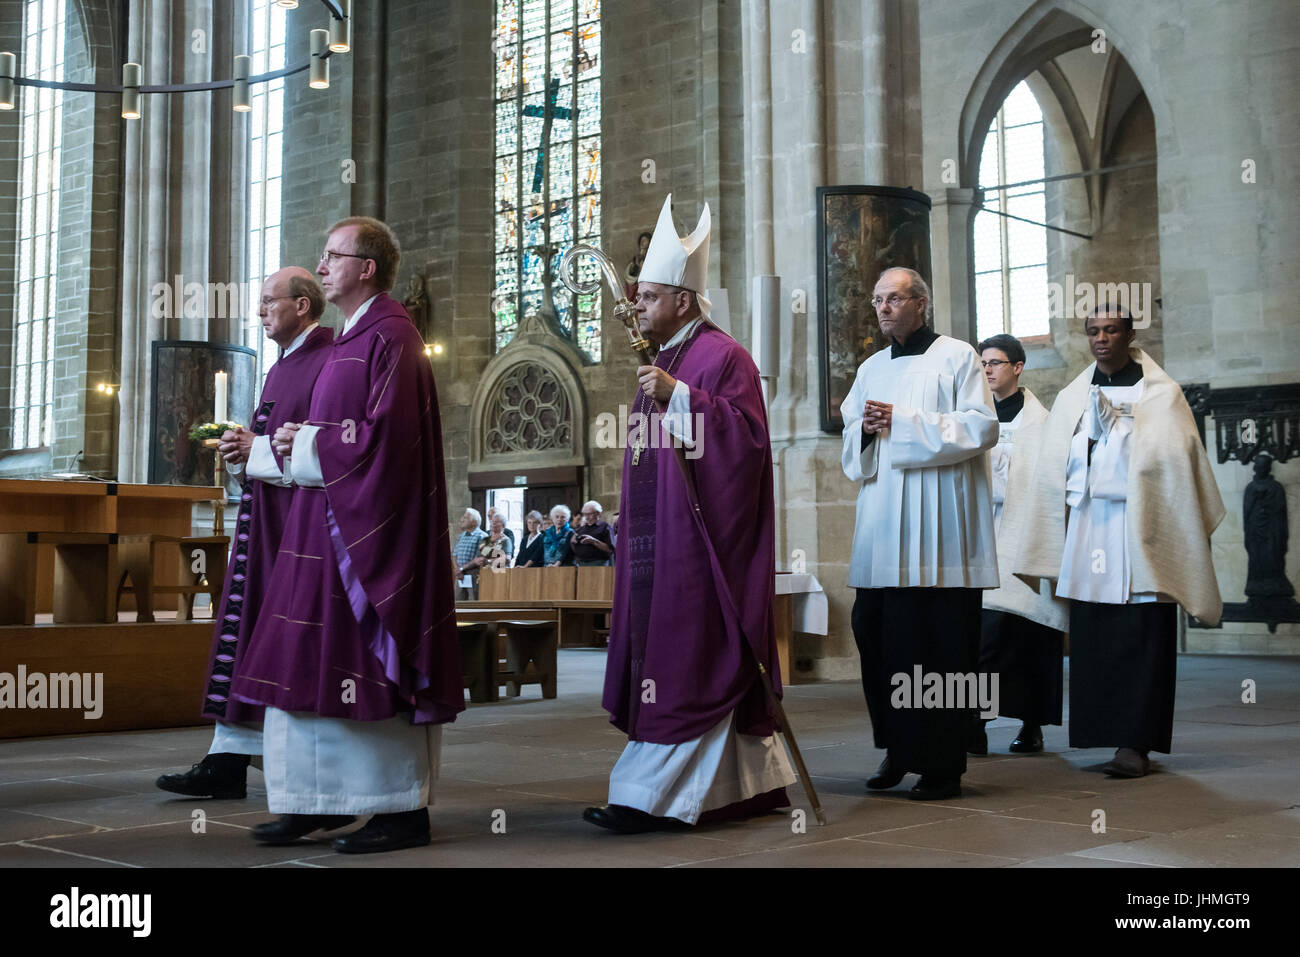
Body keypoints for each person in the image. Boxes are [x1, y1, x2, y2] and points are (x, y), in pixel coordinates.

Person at [229, 216, 464, 852]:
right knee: (302, 662)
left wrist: (305, 441)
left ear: (367, 268)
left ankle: (396, 809)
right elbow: (336, 435)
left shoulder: (393, 337)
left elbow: (387, 444)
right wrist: (284, 446)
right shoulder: (348, 341)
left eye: (335, 255)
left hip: (364, 542)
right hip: (320, 531)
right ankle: (313, 801)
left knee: (360, 664)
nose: (323, 263)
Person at [585, 193, 795, 834]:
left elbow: (748, 444)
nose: (636, 307)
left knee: (690, 657)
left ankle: (652, 797)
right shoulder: (664, 358)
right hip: (658, 543)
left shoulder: (722, 357)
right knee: (674, 657)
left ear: (681, 298)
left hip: (703, 550)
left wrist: (682, 399)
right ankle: (742, 789)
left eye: (647, 297)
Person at [1015, 304, 1224, 778]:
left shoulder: (1161, 394)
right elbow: (1054, 463)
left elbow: (1176, 457)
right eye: (1094, 331)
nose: (1102, 339)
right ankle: (1101, 732)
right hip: (1090, 524)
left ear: (1129, 334)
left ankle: (1137, 742)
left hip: (1139, 526)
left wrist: (1126, 432)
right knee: (1094, 634)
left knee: (1142, 632)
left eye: (1111, 330)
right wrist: (1089, 438)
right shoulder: (1074, 394)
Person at [156, 268, 333, 800]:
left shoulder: (324, 360)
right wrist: (244, 450)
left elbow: (313, 453)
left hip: (294, 530)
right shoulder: (287, 365)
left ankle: (254, 763)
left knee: (268, 633)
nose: (259, 312)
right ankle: (228, 757)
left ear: (302, 305)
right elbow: (272, 444)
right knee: (246, 629)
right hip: (266, 522)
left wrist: (254, 447)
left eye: (267, 302)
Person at [842, 266, 999, 801]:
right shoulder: (869, 368)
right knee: (879, 638)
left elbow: (982, 426)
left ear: (921, 304)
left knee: (938, 648)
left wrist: (902, 423)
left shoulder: (958, 356)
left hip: (940, 533)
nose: (883, 308)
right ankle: (897, 748)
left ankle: (941, 765)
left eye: (894, 299)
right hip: (883, 529)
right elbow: (853, 442)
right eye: (878, 300)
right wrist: (864, 430)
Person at [968, 333, 1068, 757]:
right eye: (983, 363)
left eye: (995, 362)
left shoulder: (1042, 424)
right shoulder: (971, 417)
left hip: (1024, 537)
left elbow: (1049, 482)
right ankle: (976, 720)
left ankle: (1031, 724)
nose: (988, 370)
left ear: (1018, 368)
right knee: (981, 637)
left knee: (1029, 635)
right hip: (981, 536)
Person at [452, 508, 489, 599]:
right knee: (457, 602)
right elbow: (454, 554)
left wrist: (461, 568)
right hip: (459, 574)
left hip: (474, 574)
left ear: (474, 521)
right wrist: (457, 569)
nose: (462, 519)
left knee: (473, 603)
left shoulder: (484, 537)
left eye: (465, 518)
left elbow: (479, 559)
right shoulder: (462, 536)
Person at [569, 500, 615, 566]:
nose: (586, 517)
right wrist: (572, 542)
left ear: (598, 513)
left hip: (599, 564)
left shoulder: (605, 527)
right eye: (585, 514)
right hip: (581, 563)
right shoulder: (581, 529)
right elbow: (575, 549)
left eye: (589, 514)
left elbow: (610, 549)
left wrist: (594, 541)